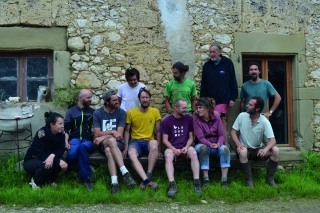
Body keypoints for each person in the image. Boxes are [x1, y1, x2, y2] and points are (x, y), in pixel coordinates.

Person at [93, 90, 136, 194]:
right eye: (114, 100)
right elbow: (97, 133)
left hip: (118, 143)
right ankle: (125, 172)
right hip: (102, 144)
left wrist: (102, 137)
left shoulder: (121, 113)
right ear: (107, 102)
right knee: (111, 141)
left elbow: (119, 135)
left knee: (109, 150)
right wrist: (112, 131)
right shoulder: (97, 113)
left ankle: (114, 183)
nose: (118, 102)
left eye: (117, 100)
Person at [231, 96, 279, 188]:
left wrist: (265, 150)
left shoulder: (264, 121)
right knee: (243, 151)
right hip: (244, 149)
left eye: (250, 105)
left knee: (276, 150)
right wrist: (238, 144)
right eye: (248, 103)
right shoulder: (242, 116)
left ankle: (270, 179)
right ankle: (249, 181)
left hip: (257, 150)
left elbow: (273, 140)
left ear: (257, 108)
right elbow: (233, 132)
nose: (247, 106)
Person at [160, 98, 202, 197]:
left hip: (185, 146)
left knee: (194, 153)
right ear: (176, 108)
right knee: (168, 156)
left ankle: (196, 182)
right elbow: (164, 140)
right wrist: (174, 149)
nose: (186, 110)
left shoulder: (188, 119)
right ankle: (172, 184)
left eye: (186, 108)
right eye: (183, 108)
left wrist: (186, 147)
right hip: (172, 147)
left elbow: (191, 137)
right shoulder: (166, 121)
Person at [123, 87, 162, 191]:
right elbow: (127, 131)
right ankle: (148, 182)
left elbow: (158, 131)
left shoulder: (155, 112)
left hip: (149, 141)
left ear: (150, 99)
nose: (145, 99)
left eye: (147, 97)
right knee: (131, 154)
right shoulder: (131, 112)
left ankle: (147, 177)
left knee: (154, 143)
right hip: (135, 142)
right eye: (143, 97)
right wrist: (126, 147)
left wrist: (159, 149)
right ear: (139, 99)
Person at [200, 43, 238, 146]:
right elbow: (203, 84)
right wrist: (202, 100)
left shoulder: (227, 63)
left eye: (214, 52)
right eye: (210, 52)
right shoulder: (207, 66)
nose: (211, 54)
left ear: (220, 52)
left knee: (215, 116)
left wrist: (233, 98)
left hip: (223, 99)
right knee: (220, 121)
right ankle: (223, 144)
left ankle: (220, 143)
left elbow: (233, 81)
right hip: (210, 100)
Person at [24, 111, 68, 189]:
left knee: (63, 162)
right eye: (60, 124)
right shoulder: (42, 133)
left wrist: (53, 155)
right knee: (47, 165)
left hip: (48, 157)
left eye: (62, 123)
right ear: (52, 125)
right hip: (33, 159)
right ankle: (35, 182)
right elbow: (40, 153)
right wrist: (56, 160)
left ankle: (50, 180)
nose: (63, 126)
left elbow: (61, 149)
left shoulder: (61, 133)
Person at [193, 97, 230, 188]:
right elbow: (200, 137)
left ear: (208, 108)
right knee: (203, 148)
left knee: (225, 149)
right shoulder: (196, 120)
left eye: (200, 107)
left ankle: (224, 180)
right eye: (197, 107)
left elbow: (221, 135)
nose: (198, 110)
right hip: (203, 144)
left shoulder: (216, 118)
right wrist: (210, 144)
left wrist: (219, 144)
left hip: (216, 144)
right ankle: (206, 179)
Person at [64, 89, 95, 191]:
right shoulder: (71, 112)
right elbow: (66, 129)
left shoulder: (92, 112)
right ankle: (85, 170)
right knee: (71, 157)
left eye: (91, 97)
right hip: (74, 140)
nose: (91, 99)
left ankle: (86, 179)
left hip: (88, 141)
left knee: (82, 148)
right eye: (88, 97)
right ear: (80, 98)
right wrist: (66, 142)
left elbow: (97, 129)